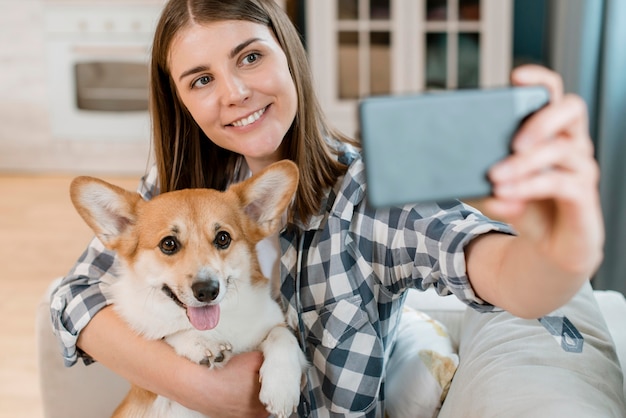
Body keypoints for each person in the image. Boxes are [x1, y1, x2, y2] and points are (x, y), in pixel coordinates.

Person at [50, 0, 611, 417]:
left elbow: (512, 278)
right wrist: (199, 387)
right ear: (181, 100)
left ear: (290, 55)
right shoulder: (171, 192)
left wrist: (563, 245)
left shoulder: (372, 196)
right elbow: (72, 298)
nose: (234, 92)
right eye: (201, 80)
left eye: (249, 57)